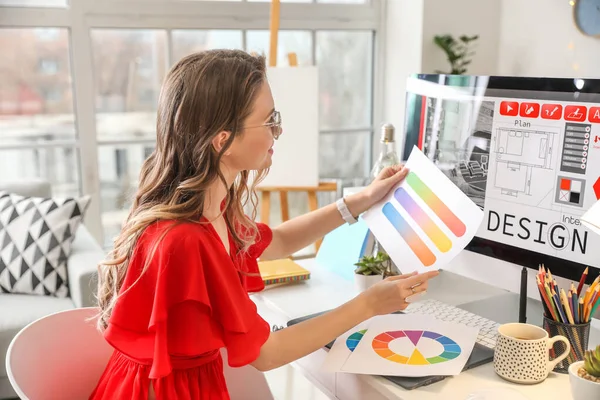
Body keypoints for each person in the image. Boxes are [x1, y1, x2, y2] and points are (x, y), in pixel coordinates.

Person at [89, 49, 439, 400]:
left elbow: (281, 241)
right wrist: (368, 305)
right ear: (222, 140)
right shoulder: (186, 238)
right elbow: (267, 353)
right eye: (269, 120)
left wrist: (360, 201)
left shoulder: (211, 208)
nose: (279, 130)